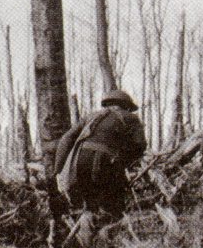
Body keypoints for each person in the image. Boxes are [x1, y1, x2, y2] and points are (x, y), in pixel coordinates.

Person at [53, 89, 147, 237]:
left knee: (90, 206)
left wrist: (58, 171)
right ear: (126, 106)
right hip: (106, 163)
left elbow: (66, 139)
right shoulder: (131, 118)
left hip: (79, 163)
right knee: (114, 206)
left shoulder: (91, 117)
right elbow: (140, 145)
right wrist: (126, 163)